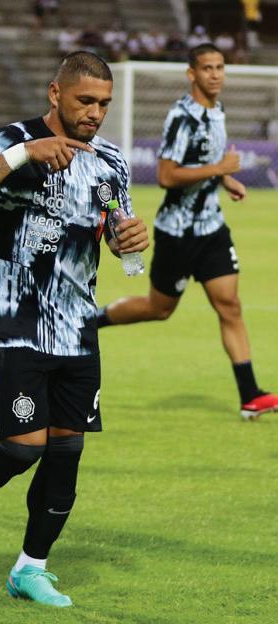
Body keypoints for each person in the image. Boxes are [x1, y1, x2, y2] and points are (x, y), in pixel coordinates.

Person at [0, 51, 148, 607]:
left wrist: (128, 239)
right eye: (85, 101)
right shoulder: (10, 141)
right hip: (16, 323)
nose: (95, 113)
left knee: (65, 452)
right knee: (22, 447)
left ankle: (30, 568)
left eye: (104, 104)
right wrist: (23, 154)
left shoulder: (110, 161)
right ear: (55, 93)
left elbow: (115, 226)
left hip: (78, 327)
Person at [97, 43, 278, 421]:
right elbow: (166, 175)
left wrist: (224, 179)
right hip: (177, 233)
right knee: (158, 309)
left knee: (230, 305)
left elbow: (206, 162)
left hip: (211, 228)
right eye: (207, 68)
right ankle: (91, 321)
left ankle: (250, 396)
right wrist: (219, 170)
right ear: (191, 74)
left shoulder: (217, 110)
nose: (216, 74)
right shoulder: (182, 117)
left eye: (220, 67)